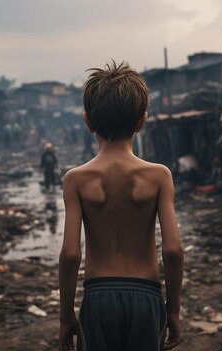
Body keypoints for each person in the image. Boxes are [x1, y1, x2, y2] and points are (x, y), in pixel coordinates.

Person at [59, 61, 184, 351]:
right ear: (141, 121)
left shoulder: (76, 180)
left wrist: (66, 318)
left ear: (88, 121)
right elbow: (173, 250)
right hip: (147, 296)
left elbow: (69, 253)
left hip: (98, 298)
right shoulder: (159, 176)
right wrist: (173, 310)